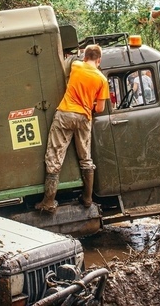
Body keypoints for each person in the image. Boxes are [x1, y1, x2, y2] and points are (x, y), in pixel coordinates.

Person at [36, 44, 109, 213]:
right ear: (99, 60)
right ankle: (87, 199)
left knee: (55, 156)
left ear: (84, 57)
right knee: (85, 158)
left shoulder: (76, 66)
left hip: (65, 115)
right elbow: (99, 109)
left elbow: (65, 64)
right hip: (84, 118)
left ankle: (48, 202)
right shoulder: (102, 80)